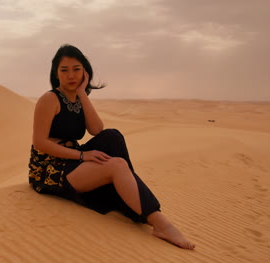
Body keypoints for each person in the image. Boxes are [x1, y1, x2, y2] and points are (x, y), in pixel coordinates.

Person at [28, 44, 195, 250]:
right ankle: (159, 222)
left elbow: (97, 129)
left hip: (72, 159)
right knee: (116, 165)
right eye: (64, 70)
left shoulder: (78, 98)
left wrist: (82, 93)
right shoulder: (49, 99)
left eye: (76, 69)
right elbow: (40, 143)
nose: (71, 75)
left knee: (112, 136)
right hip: (49, 170)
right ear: (56, 73)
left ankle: (130, 197)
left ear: (85, 72)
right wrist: (82, 156)